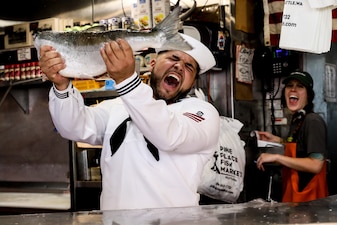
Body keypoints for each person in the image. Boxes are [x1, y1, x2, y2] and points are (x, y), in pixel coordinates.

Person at [38, 33, 220, 210]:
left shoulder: (202, 113)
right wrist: (62, 86)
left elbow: (169, 136)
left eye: (189, 67)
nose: (179, 66)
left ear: (193, 82)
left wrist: (126, 80)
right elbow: (73, 128)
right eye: (173, 58)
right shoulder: (117, 106)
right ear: (152, 64)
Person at [256, 70, 329, 202]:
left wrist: (277, 156)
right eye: (290, 85)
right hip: (295, 198)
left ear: (308, 95)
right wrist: (276, 140)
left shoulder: (312, 121)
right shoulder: (298, 119)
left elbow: (316, 164)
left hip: (310, 199)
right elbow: (299, 146)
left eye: (300, 86)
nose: (293, 89)